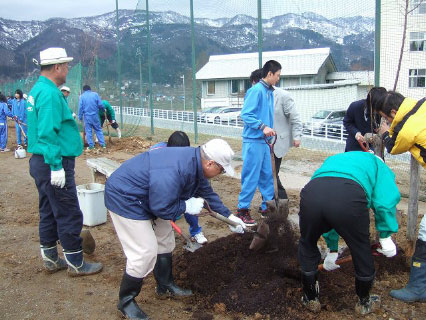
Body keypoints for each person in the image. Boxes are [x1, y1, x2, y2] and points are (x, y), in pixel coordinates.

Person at [104, 138, 246, 320]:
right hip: (126, 197)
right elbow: (161, 206)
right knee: (144, 252)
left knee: (165, 240)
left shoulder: (195, 165)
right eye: (221, 169)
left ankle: (164, 285)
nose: (220, 174)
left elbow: (207, 193)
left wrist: (230, 217)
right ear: (210, 163)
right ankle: (126, 302)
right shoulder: (176, 169)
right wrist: (185, 207)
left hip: (151, 196)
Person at [27, 47, 102, 277]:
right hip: (52, 161)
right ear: (57, 67)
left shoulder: (39, 88)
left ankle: (50, 258)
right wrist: (56, 165)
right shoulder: (49, 93)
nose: (68, 69)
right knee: (68, 211)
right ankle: (76, 263)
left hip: (41, 161)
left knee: (48, 209)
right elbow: (47, 132)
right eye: (67, 65)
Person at [298, 151, 400, 315]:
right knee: (360, 248)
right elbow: (385, 201)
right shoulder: (378, 165)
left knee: (307, 242)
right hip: (349, 196)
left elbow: (328, 199)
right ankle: (364, 302)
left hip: (312, 193)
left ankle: (310, 298)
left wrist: (332, 249)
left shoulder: (336, 159)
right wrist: (386, 235)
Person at [373, 91, 426, 302]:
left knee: (424, 234)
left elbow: (393, 146)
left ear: (394, 112)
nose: (386, 122)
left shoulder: (406, 129)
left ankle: (418, 288)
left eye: (386, 118)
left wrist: (386, 132)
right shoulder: (421, 104)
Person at [236, 60, 281, 226]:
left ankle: (267, 207)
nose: (278, 79)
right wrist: (262, 127)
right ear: (269, 73)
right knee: (251, 176)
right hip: (253, 141)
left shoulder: (269, 92)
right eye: (277, 75)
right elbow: (246, 114)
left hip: (265, 142)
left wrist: (269, 131)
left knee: (268, 176)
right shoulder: (256, 91)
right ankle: (242, 210)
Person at [150, 131, 208, 244]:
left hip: (177, 181)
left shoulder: (189, 158)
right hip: (159, 185)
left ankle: (195, 231)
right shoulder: (157, 153)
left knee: (189, 200)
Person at [343, 87, 387, 152]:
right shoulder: (355, 106)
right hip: (354, 147)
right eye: (374, 107)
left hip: (374, 148)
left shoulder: (383, 112)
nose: (376, 110)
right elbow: (347, 122)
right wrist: (356, 133)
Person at [78, 85, 105, 150]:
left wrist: (80, 117)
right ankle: (103, 144)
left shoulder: (82, 96)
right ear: (90, 89)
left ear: (84, 90)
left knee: (88, 131)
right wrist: (103, 109)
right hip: (95, 116)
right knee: (98, 129)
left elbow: (80, 108)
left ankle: (91, 146)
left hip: (87, 117)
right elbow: (100, 104)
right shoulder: (95, 94)